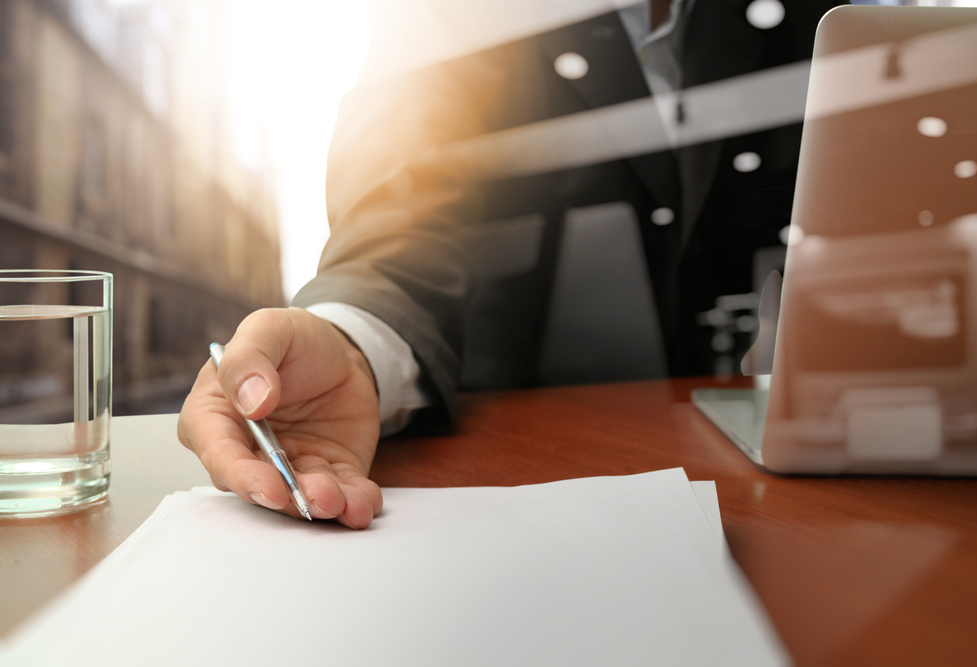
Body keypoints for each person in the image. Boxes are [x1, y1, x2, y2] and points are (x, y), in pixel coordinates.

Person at [178, 0, 843, 525]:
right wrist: (355, 341)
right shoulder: (444, 13)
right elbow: (399, 204)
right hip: (523, 458)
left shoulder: (820, 17)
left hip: (786, 462)